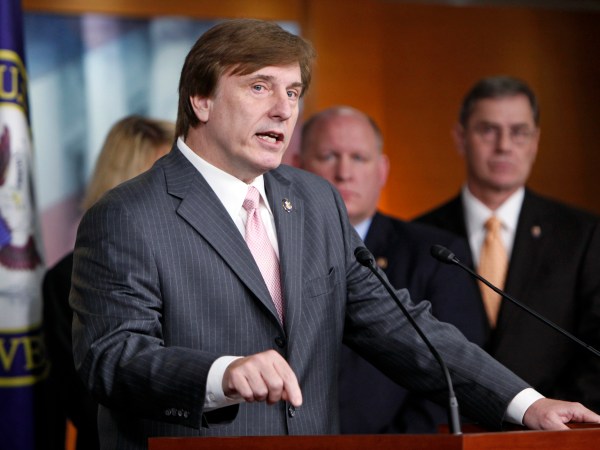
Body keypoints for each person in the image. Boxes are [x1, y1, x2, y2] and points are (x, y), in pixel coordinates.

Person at [68, 20, 599, 450]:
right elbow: (111, 357)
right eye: (259, 87)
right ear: (200, 101)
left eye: (293, 92)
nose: (283, 109)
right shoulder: (128, 214)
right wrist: (220, 374)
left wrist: (525, 403)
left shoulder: (315, 201)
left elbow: (399, 325)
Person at [296, 105, 486, 433]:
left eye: (359, 158)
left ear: (382, 170)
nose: (344, 172)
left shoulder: (435, 255)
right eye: (328, 156)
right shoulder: (268, 247)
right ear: (297, 167)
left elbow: (457, 371)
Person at [416, 75, 600, 413]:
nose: (504, 145)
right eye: (488, 130)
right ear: (461, 138)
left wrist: (545, 414)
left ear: (535, 141)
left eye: (519, 132)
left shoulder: (583, 234)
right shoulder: (419, 235)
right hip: (445, 428)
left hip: (556, 430)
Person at [42, 115, 175, 450]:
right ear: (124, 183)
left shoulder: (198, 262)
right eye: (164, 178)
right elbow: (86, 403)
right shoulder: (64, 280)